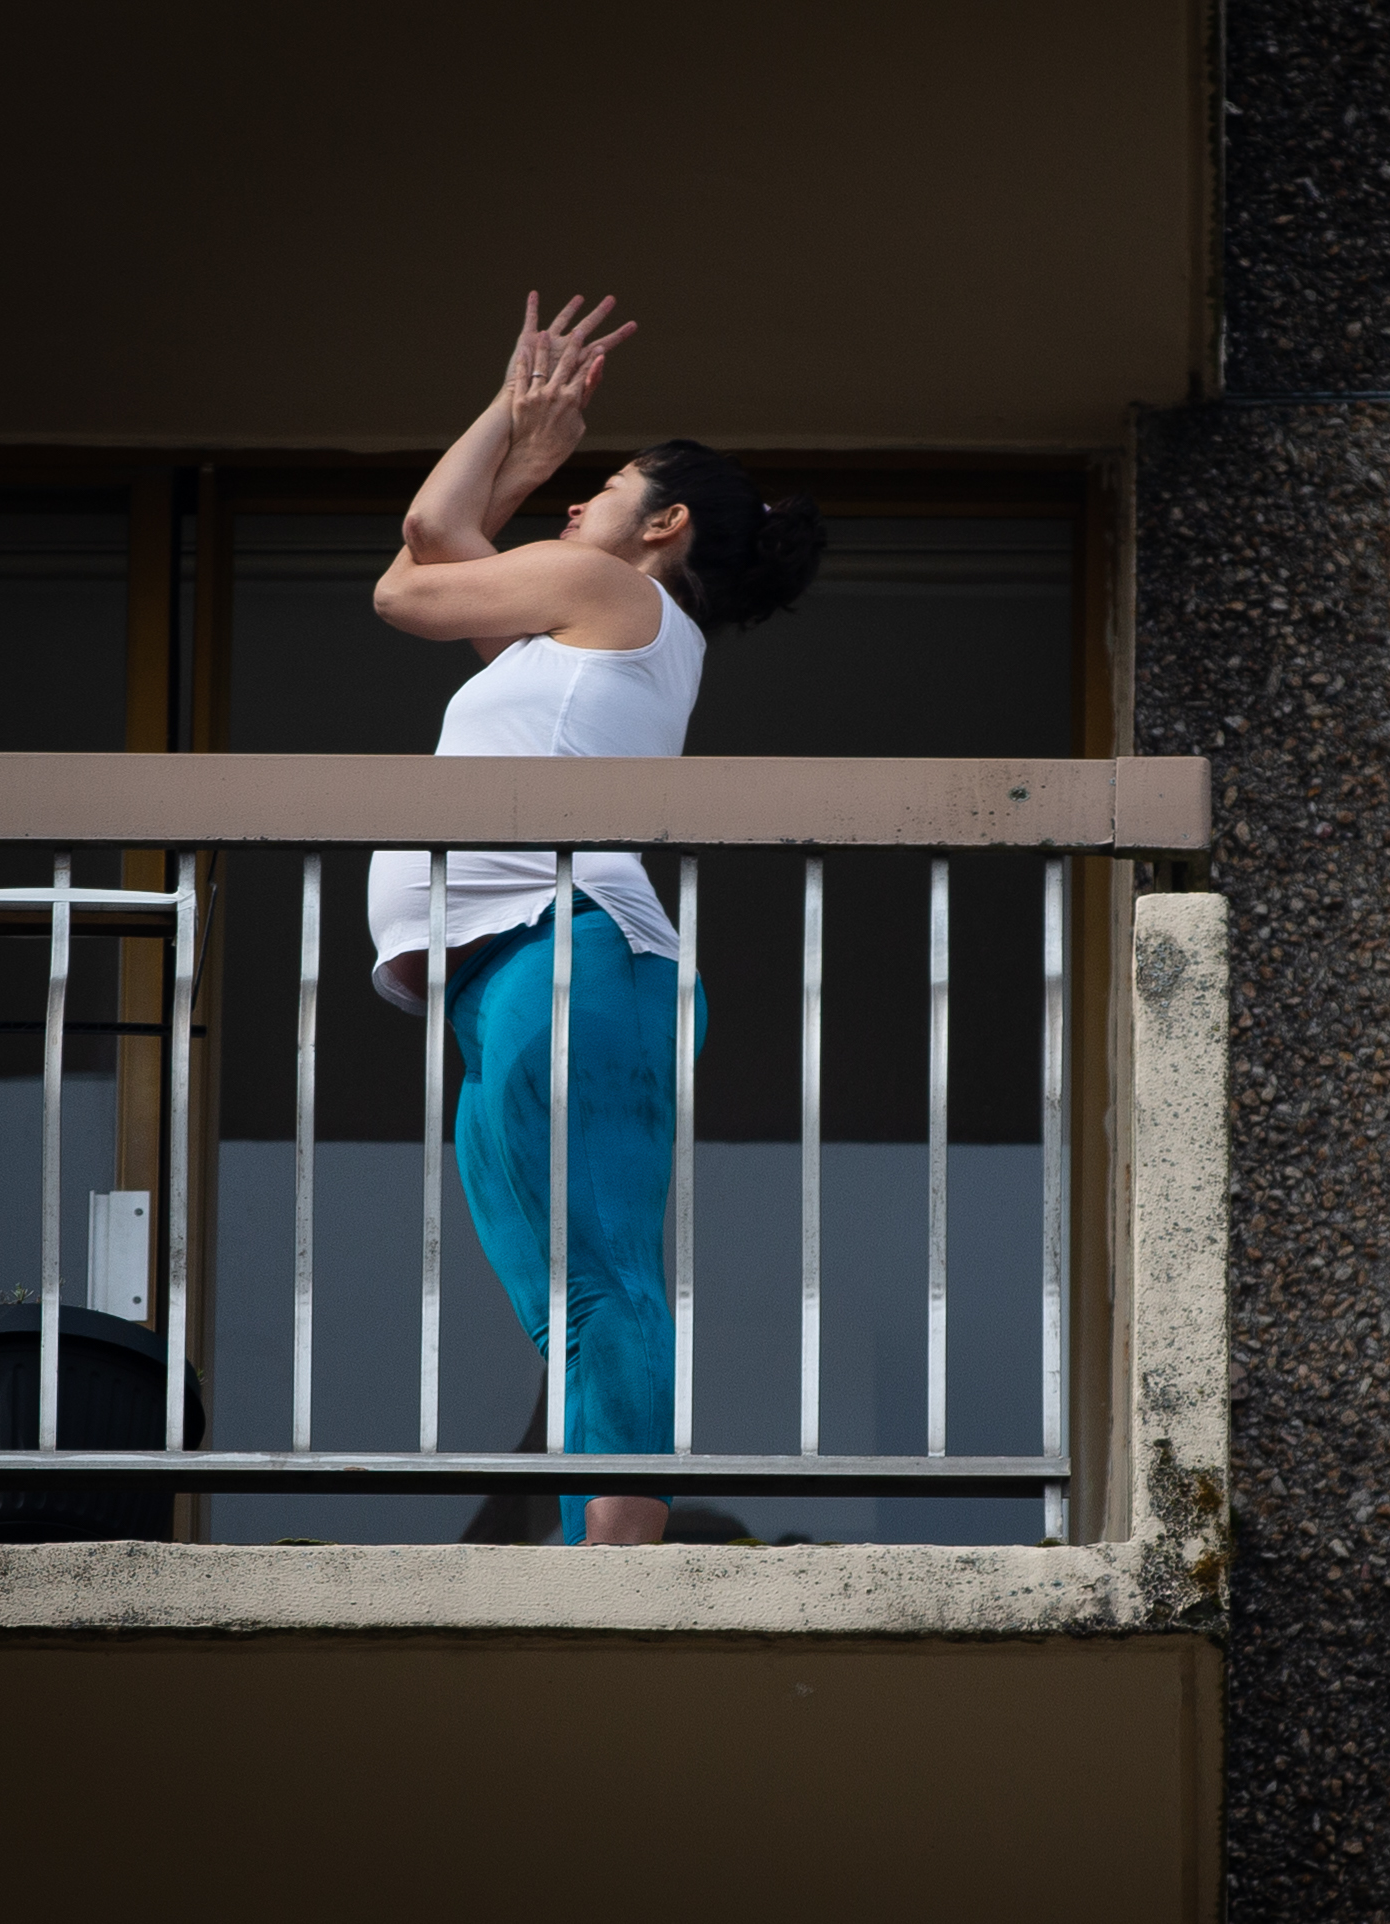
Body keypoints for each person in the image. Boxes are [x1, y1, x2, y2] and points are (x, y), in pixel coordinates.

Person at [365, 293, 826, 1544]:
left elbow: (408, 573)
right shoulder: (581, 628)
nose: (575, 507)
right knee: (560, 1292)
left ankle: (620, 1543)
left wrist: (515, 433)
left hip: (572, 951)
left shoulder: (613, 597)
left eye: (604, 485)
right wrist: (518, 451)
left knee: (602, 1271)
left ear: (664, 526)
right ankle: (603, 1528)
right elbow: (443, 547)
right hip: (507, 971)